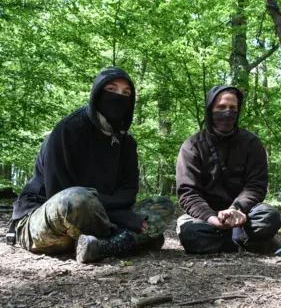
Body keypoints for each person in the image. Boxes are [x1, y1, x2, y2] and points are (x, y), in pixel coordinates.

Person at [10, 67, 174, 263]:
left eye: (126, 93)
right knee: (77, 199)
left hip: (98, 219)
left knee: (162, 205)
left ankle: (101, 246)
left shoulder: (126, 142)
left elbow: (128, 192)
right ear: (96, 94)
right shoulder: (68, 130)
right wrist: (123, 219)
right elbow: (59, 194)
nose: (118, 97)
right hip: (48, 219)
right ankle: (127, 240)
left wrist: (122, 213)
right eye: (111, 90)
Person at [175, 85, 281, 254]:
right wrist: (212, 218)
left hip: (243, 213)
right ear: (211, 109)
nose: (227, 112)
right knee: (191, 233)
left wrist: (236, 209)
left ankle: (233, 238)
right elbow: (188, 193)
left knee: (269, 217)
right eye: (221, 107)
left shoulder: (251, 143)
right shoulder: (193, 146)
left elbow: (256, 186)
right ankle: (243, 241)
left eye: (233, 108)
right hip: (206, 217)